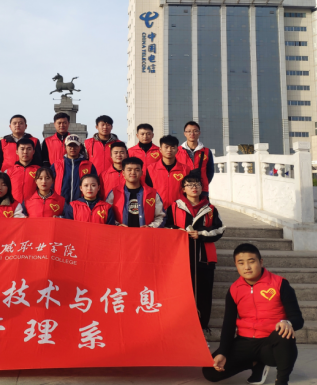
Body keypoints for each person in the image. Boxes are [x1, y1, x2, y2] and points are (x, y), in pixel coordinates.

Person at [203, 244, 304, 385]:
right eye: (241, 263)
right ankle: (256, 365)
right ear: (236, 265)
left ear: (260, 262)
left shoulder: (280, 284)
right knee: (210, 371)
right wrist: (222, 352)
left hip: (270, 342)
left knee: (284, 333)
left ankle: (282, 380)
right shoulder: (234, 289)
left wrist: (288, 322)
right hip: (245, 341)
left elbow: (298, 319)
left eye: (251, 261)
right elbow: (228, 324)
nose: (247, 267)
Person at [166, 174, 225, 332]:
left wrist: (200, 233)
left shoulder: (210, 209)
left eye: (197, 184)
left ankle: (202, 327)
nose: (194, 187)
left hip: (204, 258)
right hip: (180, 258)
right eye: (190, 184)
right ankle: (181, 327)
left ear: (201, 187)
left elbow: (220, 229)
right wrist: (179, 232)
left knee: (204, 294)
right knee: (181, 293)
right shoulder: (174, 207)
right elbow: (165, 227)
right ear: (183, 189)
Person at [106, 157, 164, 228]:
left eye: (137, 170)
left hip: (145, 234)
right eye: (129, 170)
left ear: (141, 173)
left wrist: (150, 227)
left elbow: (161, 216)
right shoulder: (114, 193)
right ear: (123, 173)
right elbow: (107, 214)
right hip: (121, 234)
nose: (133, 173)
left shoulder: (152, 193)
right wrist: (117, 225)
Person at [145, 134, 190, 209]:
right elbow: (148, 190)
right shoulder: (151, 169)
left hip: (179, 208)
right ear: (160, 149)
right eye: (166, 147)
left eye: (173, 147)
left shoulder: (185, 169)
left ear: (177, 150)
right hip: (157, 209)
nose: (169, 150)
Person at [50, 134, 96, 202]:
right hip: (60, 203)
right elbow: (50, 185)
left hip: (82, 203)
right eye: (70, 146)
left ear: (80, 147)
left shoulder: (88, 165)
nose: (72, 148)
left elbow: (94, 184)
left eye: (75, 146)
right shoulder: (57, 165)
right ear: (65, 147)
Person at [176, 121, 215, 196]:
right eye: (189, 131)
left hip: (202, 189)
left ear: (199, 133)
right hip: (182, 189)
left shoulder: (206, 151)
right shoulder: (177, 151)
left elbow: (210, 171)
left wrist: (203, 183)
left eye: (195, 131)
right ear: (185, 133)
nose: (192, 134)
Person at [6, 137, 40, 203]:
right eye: (22, 149)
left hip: (33, 205)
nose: (25, 152)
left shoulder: (39, 171)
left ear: (33, 151)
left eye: (29, 149)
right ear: (17, 151)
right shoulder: (8, 171)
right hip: (14, 206)